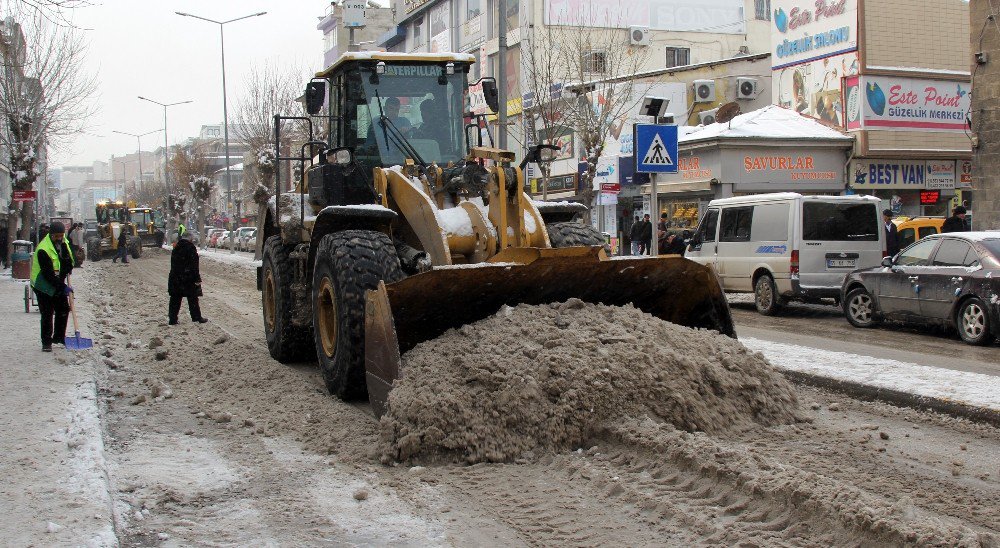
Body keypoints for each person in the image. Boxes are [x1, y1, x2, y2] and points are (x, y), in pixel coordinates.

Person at [30, 221, 74, 352]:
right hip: (42, 284)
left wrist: (67, 267)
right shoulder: (43, 249)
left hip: (56, 282)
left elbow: (68, 261)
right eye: (57, 236)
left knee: (63, 309)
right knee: (47, 313)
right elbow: (48, 275)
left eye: (61, 235)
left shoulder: (64, 242)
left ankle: (59, 337)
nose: (59, 238)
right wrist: (62, 287)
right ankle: (46, 342)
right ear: (51, 235)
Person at [168, 230, 208, 325]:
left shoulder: (176, 247)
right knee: (192, 298)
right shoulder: (190, 248)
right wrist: (197, 278)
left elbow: (173, 263)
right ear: (190, 238)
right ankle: (196, 317)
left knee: (175, 299)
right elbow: (194, 265)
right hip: (188, 278)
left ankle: (172, 319)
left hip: (175, 277)